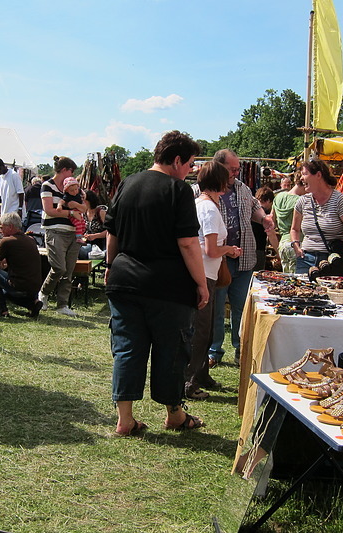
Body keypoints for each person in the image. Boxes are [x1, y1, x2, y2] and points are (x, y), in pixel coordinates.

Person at [105, 130, 208, 436]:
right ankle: (174, 415)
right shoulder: (179, 191)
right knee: (172, 350)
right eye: (189, 163)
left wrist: (111, 265)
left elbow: (113, 233)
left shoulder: (128, 183)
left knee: (126, 348)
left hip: (125, 279)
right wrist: (201, 284)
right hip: (168, 286)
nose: (191, 170)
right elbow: (189, 243)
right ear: (177, 160)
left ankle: (125, 419)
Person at [203, 149, 274, 367]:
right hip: (219, 259)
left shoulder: (243, 188)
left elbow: (254, 207)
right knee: (216, 308)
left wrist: (263, 219)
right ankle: (214, 350)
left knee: (241, 307)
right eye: (232, 169)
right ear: (218, 166)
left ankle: (240, 348)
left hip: (244, 258)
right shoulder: (204, 192)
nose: (236, 172)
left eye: (237, 168)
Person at [185, 162, 242, 400]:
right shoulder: (207, 208)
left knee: (205, 331)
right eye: (227, 176)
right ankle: (189, 383)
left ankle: (200, 375)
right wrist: (229, 249)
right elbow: (210, 249)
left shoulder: (204, 204)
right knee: (200, 332)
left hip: (206, 273)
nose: (231, 179)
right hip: (203, 275)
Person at [289, 159, 343, 280]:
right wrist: (296, 245)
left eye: (305, 174)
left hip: (331, 261)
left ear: (318, 175)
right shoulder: (302, 201)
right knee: (301, 295)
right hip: (305, 259)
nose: (301, 178)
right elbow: (294, 229)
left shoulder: (340, 201)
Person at [0, 212, 44, 318]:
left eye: (2, 228)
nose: (0, 231)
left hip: (19, 286)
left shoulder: (6, 241)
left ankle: (1, 309)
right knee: (6, 293)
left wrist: (0, 266)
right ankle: (33, 304)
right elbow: (12, 258)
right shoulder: (30, 240)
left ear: (10, 227)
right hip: (35, 287)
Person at [39, 156, 81, 317]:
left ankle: (62, 304)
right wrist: (70, 212)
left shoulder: (74, 187)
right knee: (59, 267)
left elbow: (82, 208)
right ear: (64, 170)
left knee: (68, 271)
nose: (73, 175)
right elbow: (49, 210)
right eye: (72, 171)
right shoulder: (47, 186)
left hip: (73, 232)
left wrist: (75, 207)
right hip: (55, 230)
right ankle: (44, 292)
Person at [271, 173, 306, 273]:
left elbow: (271, 223)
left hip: (282, 244)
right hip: (297, 243)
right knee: (298, 282)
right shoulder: (300, 201)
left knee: (286, 280)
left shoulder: (278, 197)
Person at [252, 186, 279, 271]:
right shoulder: (265, 215)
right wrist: (278, 252)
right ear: (268, 201)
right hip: (259, 250)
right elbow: (270, 234)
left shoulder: (251, 211)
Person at [79, 190, 107, 259]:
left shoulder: (100, 212)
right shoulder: (84, 213)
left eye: (84, 201)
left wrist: (95, 236)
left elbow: (109, 231)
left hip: (101, 243)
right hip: (88, 243)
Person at [61, 177, 87, 244]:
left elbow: (84, 208)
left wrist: (76, 204)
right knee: (78, 223)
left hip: (78, 212)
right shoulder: (68, 196)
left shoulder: (78, 195)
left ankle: (81, 235)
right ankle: (78, 237)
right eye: (72, 190)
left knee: (83, 224)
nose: (75, 191)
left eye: (76, 189)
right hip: (73, 213)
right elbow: (63, 202)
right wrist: (59, 206)